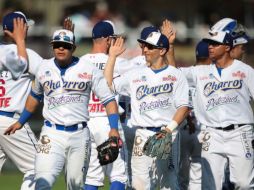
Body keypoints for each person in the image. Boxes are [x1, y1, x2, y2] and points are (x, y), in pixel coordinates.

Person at [4, 29, 122, 190]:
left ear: (73, 48)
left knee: (75, 186)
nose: (61, 49)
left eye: (65, 46)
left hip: (80, 135)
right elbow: (34, 97)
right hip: (51, 134)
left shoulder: (88, 68)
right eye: (57, 45)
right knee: (42, 183)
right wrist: (20, 121)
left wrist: (114, 128)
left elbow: (109, 100)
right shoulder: (43, 67)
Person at [104, 31, 189, 190]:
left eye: (150, 47)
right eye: (145, 46)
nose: (145, 50)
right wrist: (112, 57)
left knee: (169, 184)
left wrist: (168, 130)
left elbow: (184, 107)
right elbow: (108, 85)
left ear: (162, 50)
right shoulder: (135, 75)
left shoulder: (176, 75)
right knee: (139, 185)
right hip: (142, 134)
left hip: (167, 133)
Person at [181, 27, 254, 189]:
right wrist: (170, 46)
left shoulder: (245, 71)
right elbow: (174, 72)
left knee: (244, 184)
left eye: (215, 44)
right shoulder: (201, 72)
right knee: (210, 185)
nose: (210, 47)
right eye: (209, 44)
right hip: (211, 133)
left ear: (227, 47)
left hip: (240, 132)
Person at [80, 20, 127, 190]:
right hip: (108, 121)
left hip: (87, 122)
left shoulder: (80, 62)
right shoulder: (117, 62)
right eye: (113, 39)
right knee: (118, 174)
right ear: (108, 40)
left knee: (92, 176)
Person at [0, 11, 43, 190]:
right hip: (11, 120)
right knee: (39, 168)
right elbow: (51, 75)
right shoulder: (26, 54)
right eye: (26, 26)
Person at [178, 40, 210, 190]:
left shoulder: (183, 72)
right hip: (202, 130)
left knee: (180, 177)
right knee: (198, 176)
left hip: (182, 128)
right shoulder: (214, 74)